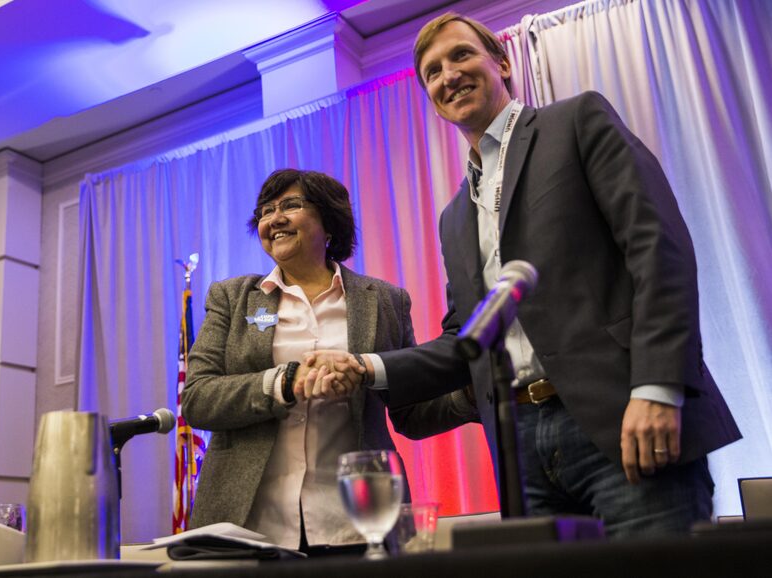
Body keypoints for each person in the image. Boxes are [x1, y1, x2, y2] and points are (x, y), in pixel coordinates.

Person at [307, 13, 740, 538]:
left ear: (503, 62)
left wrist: (657, 387)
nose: (448, 75)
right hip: (522, 451)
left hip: (622, 420)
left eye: (462, 55)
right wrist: (364, 365)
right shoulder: (453, 218)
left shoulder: (576, 122)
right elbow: (465, 343)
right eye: (432, 72)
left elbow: (658, 250)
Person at [181, 168, 476, 552]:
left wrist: (474, 394)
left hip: (356, 524)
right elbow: (198, 399)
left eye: (290, 205)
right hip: (250, 527)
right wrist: (285, 382)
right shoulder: (232, 299)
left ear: (329, 221)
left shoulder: (384, 300)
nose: (275, 219)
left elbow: (412, 412)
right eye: (266, 211)